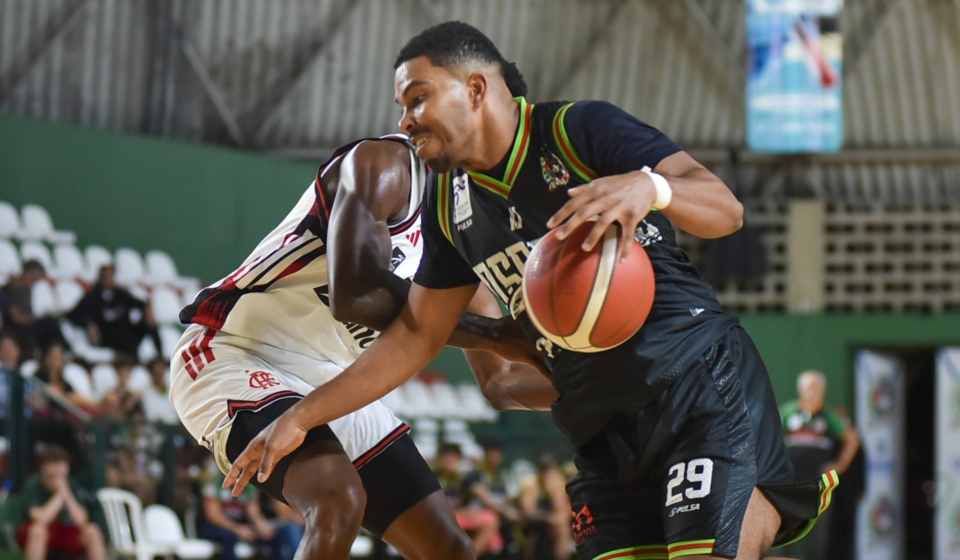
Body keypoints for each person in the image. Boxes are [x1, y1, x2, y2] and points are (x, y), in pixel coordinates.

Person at [226, 22, 840, 560]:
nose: (404, 122)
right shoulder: (450, 205)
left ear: (475, 89)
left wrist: (651, 188)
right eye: (400, 106)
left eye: (417, 98)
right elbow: (415, 337)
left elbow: (725, 209)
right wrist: (300, 418)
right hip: (599, 425)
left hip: (694, 386)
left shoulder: (576, 130)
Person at [169, 127, 555, 560]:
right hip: (235, 349)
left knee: (449, 549)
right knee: (337, 500)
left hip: (328, 376)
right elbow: (356, 297)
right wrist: (498, 335)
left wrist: (594, 385)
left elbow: (502, 381)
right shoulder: (388, 167)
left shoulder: (465, 240)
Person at [779, 371, 860, 559]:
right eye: (809, 387)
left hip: (819, 479)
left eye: (816, 387)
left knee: (819, 530)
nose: (812, 392)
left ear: (823, 391)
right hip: (792, 478)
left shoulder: (830, 416)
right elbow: (772, 432)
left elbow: (852, 438)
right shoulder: (789, 411)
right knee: (787, 525)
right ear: (800, 389)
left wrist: (841, 463)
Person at [16, 445, 107, 560]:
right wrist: (59, 496)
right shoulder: (33, 485)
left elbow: (82, 520)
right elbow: (41, 518)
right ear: (43, 467)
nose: (56, 469)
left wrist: (66, 494)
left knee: (92, 531)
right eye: (52, 464)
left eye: (60, 464)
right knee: (38, 530)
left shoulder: (72, 485)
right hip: (39, 533)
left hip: (66, 532)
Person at [67, 265, 161, 359]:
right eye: (106, 276)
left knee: (150, 324)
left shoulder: (121, 294)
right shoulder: (92, 297)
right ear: (100, 278)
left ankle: (160, 356)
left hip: (127, 333)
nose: (108, 280)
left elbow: (138, 303)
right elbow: (73, 315)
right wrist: (89, 323)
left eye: (111, 276)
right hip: (108, 337)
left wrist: (146, 308)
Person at [199, 461, 284, 560]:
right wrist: (237, 529)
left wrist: (261, 526)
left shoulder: (248, 476)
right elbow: (213, 515)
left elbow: (252, 510)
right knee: (229, 537)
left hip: (240, 524)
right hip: (215, 526)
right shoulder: (213, 476)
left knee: (274, 536)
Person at [435, 442, 502, 556]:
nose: (449, 461)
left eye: (453, 458)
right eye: (446, 457)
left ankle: (470, 556)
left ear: (459, 459)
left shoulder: (467, 477)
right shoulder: (434, 477)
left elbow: (480, 497)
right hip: (443, 516)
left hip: (463, 515)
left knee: (491, 520)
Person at [463, 438, 521, 556]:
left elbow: (509, 498)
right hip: (475, 515)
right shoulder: (475, 474)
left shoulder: (502, 476)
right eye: (491, 453)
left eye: (497, 454)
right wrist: (507, 512)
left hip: (498, 516)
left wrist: (513, 511)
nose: (494, 457)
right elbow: (485, 498)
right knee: (494, 520)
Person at [1, 261, 64, 361]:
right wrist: (34, 320)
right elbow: (16, 316)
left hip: (26, 326)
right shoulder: (10, 289)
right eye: (34, 278)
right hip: (15, 328)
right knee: (49, 323)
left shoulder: (27, 290)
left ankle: (57, 353)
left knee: (52, 324)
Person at [518, 455, 570, 560]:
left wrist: (553, 493)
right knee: (534, 532)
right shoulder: (531, 484)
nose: (550, 476)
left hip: (552, 521)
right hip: (534, 520)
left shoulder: (559, 485)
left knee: (562, 528)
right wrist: (550, 519)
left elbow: (563, 513)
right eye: (547, 472)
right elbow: (529, 512)